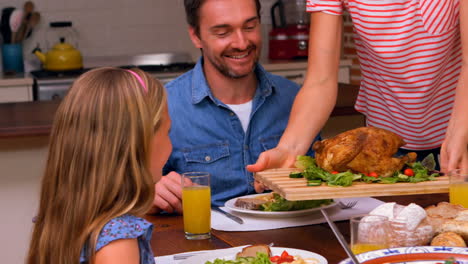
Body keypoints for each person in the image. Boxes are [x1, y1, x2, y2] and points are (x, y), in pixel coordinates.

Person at [247, 0, 468, 174]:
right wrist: (289, 150)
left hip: (461, 130)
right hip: (382, 147)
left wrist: (460, 133)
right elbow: (320, 81)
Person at [151, 0, 320, 213]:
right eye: (223, 33)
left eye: (250, 27)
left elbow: (318, 183)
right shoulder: (164, 106)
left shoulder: (296, 98)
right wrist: (150, 195)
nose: (241, 43)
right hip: (206, 241)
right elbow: (127, 197)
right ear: (196, 36)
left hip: (294, 242)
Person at [26, 67, 171, 264]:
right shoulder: (117, 244)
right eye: (167, 132)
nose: (172, 145)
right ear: (141, 144)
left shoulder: (60, 217)